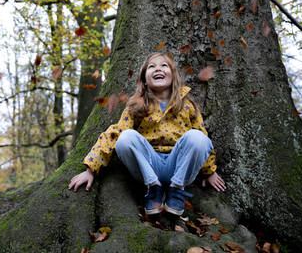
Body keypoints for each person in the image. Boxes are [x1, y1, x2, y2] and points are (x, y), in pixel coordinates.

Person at [68, 52, 226, 216]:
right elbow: (116, 133)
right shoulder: (136, 105)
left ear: (174, 76)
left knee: (198, 137)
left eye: (164, 66)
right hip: (148, 166)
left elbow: (201, 138)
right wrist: (91, 170)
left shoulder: (187, 105)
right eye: (152, 67)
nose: (158, 69)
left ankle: (177, 190)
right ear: (144, 79)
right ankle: (153, 188)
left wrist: (210, 171)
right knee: (126, 137)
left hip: (179, 165)